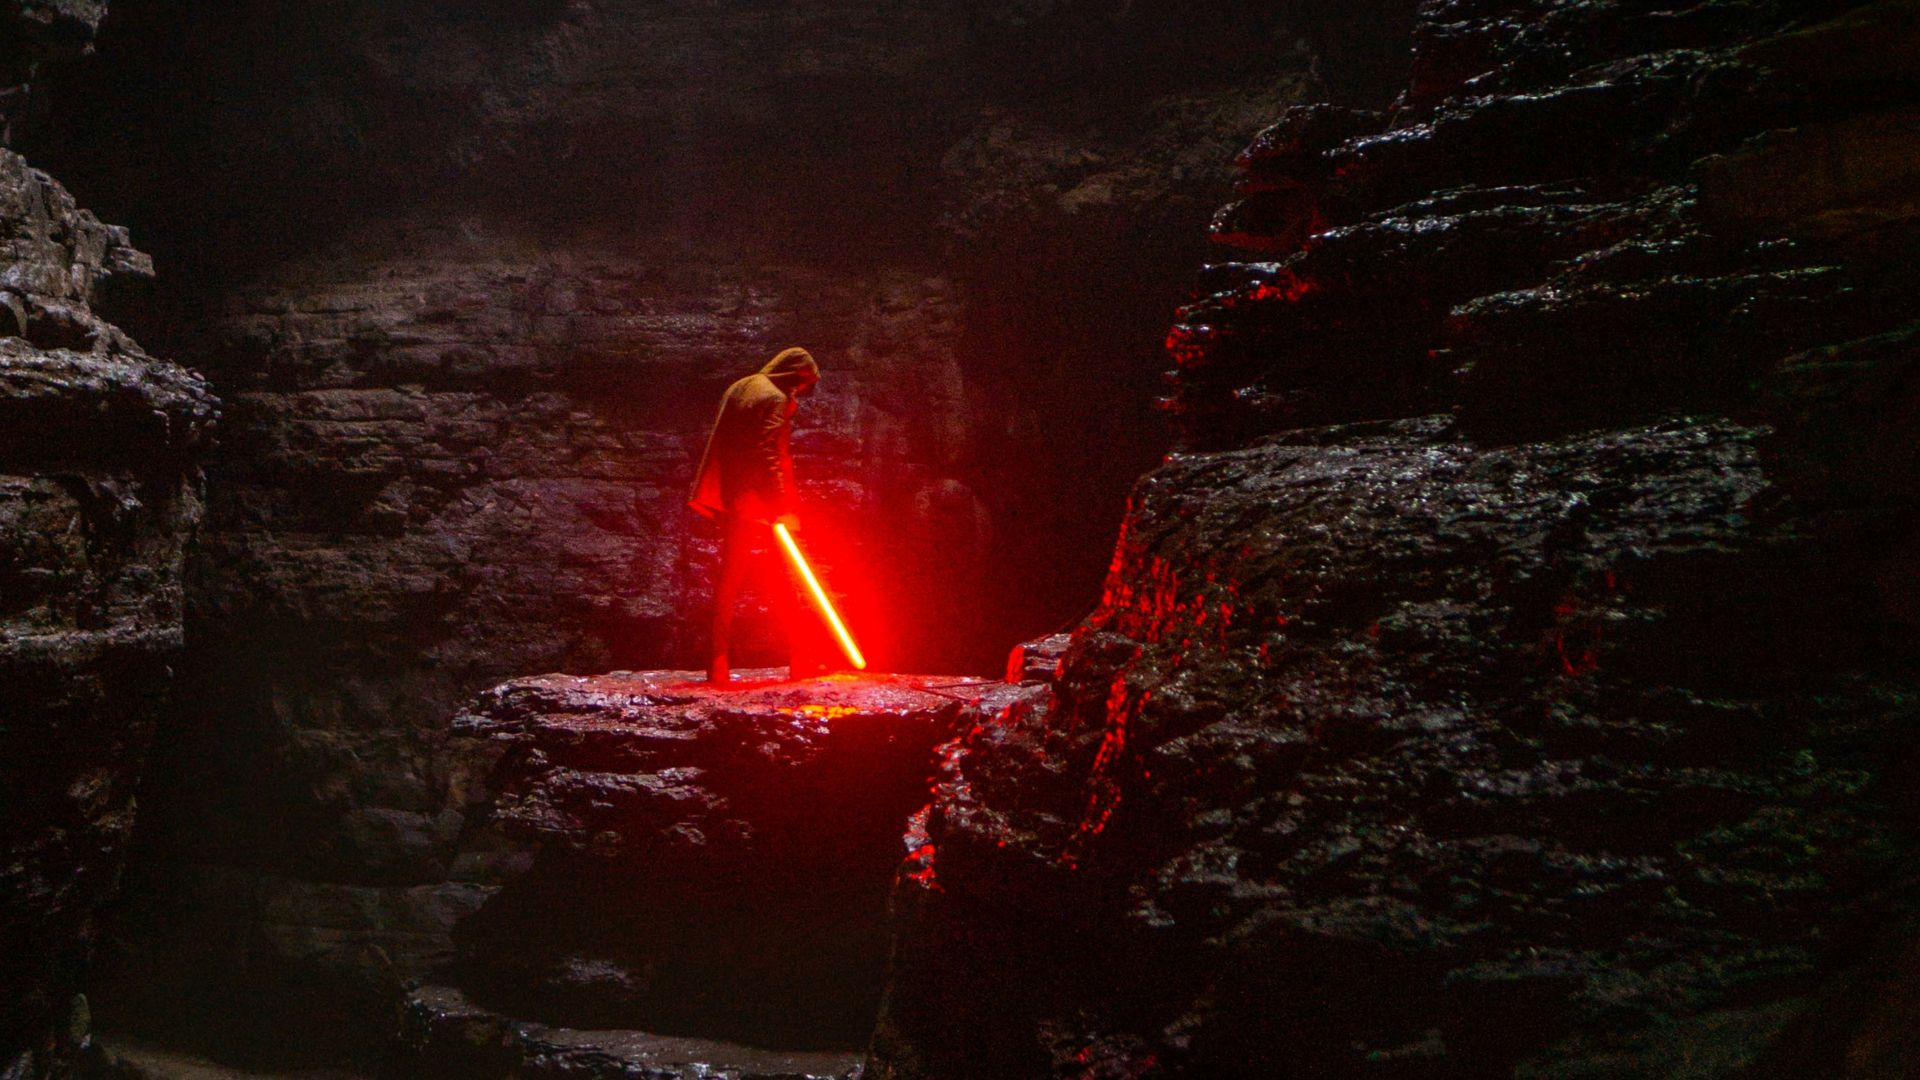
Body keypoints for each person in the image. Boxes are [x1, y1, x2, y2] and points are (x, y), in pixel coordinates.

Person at [688, 346, 824, 685]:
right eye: (804, 386)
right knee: (784, 578)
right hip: (762, 504)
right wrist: (781, 505)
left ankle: (717, 663)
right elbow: (769, 454)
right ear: (795, 377)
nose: (803, 393)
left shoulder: (741, 386)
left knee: (729, 580)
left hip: (735, 498)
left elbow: (726, 444)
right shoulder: (775, 397)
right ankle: (799, 659)